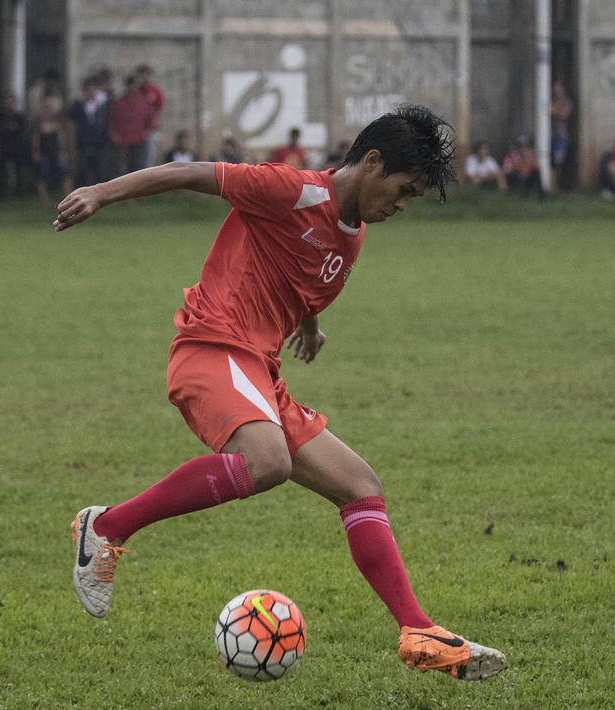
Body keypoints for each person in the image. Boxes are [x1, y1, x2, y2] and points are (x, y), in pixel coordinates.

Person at [57, 105, 507, 682]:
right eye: (404, 189)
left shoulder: (354, 236)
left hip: (258, 368)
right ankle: (109, 527)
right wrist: (100, 193)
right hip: (212, 346)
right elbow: (193, 173)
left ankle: (417, 630)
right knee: (265, 462)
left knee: (361, 487)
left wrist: (310, 325)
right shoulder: (290, 189)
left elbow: (307, 280)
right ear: (373, 162)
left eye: (414, 197)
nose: (402, 204)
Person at [107, 75, 157, 176]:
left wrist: (145, 133)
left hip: (139, 140)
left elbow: (150, 120)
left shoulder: (144, 101)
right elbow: (111, 121)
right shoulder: (118, 103)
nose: (131, 89)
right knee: (123, 170)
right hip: (122, 142)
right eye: (128, 86)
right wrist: (114, 135)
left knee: (138, 168)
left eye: (133, 86)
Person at [68, 77, 110, 187]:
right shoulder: (79, 105)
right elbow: (72, 120)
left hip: (99, 141)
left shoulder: (102, 104)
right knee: (84, 168)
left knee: (100, 167)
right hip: (84, 141)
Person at [32, 92, 69, 201]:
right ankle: (44, 198)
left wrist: (63, 151)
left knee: (65, 173)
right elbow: (36, 138)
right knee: (41, 175)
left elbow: (62, 136)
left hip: (57, 151)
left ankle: (68, 196)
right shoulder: (39, 120)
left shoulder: (59, 119)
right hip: (44, 151)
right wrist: (36, 152)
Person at [0, 90, 29, 198]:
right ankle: (2, 192)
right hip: (4, 146)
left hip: (17, 147)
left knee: (19, 170)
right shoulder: (1, 116)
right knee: (3, 170)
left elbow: (23, 131)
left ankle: (20, 192)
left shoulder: (19, 117)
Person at [136, 64, 164, 168]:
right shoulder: (136, 91)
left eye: (147, 74)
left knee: (150, 155)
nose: (145, 77)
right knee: (138, 155)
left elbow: (159, 110)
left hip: (151, 128)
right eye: (142, 74)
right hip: (137, 129)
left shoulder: (155, 91)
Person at [549, 80, 573, 189]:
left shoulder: (567, 101)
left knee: (559, 160)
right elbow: (551, 112)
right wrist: (556, 111)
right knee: (551, 160)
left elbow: (564, 114)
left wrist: (556, 111)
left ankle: (556, 184)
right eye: (555, 89)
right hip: (551, 135)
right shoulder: (550, 100)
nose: (557, 91)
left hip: (562, 136)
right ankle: (551, 184)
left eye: (559, 89)